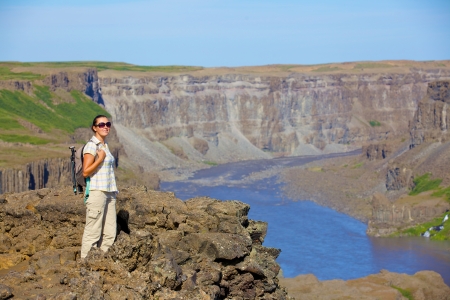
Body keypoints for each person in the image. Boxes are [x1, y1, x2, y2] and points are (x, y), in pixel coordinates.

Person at [80, 115, 118, 259]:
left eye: (107, 124)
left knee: (109, 233)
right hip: (97, 192)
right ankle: (85, 264)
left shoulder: (105, 146)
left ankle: (100, 263)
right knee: (93, 232)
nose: (105, 127)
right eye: (101, 125)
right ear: (94, 128)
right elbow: (86, 171)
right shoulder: (92, 145)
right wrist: (100, 159)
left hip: (109, 193)